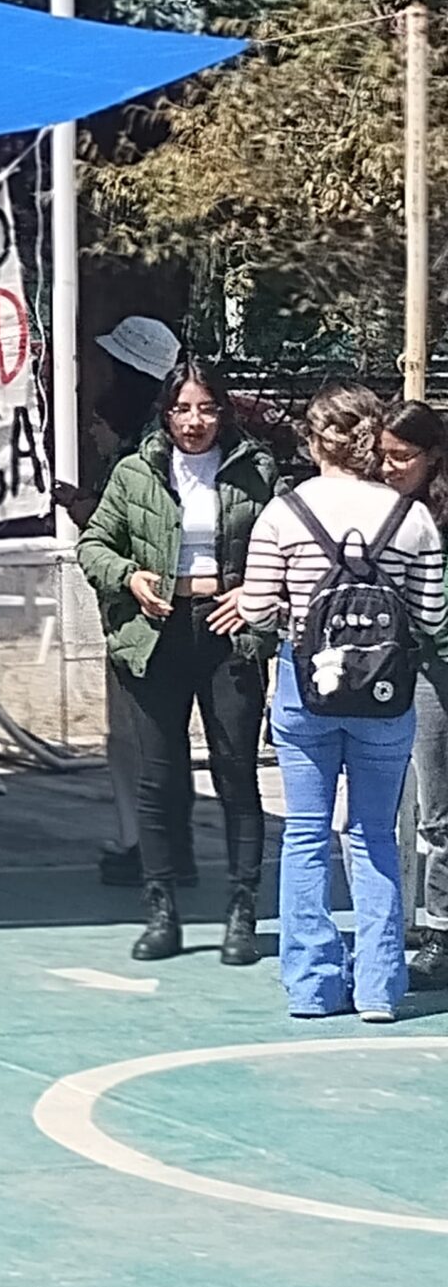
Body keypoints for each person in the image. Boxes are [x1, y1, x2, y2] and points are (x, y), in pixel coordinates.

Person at [240, 383, 447, 1022]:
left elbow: (251, 608)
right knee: (375, 833)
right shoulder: (410, 518)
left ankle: (312, 985)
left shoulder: (284, 512)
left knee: (306, 833)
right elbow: (435, 615)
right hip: (386, 693)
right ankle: (381, 986)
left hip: (307, 690)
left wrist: (291, 613)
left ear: (312, 439)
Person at [77, 355, 278, 966]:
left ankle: (242, 906)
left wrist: (253, 592)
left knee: (235, 770)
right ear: (165, 413)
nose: (194, 421)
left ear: (224, 412)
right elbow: (93, 545)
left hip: (227, 630)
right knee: (159, 778)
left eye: (207, 408)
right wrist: (128, 576)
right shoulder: (135, 472)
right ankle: (160, 906)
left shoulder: (256, 471)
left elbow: (284, 546)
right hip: (157, 633)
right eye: (183, 408)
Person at [66, 313, 183, 887]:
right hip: (161, 604)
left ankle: (140, 841)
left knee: (133, 738)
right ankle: (164, 843)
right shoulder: (165, 447)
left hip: (140, 608)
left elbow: (121, 529)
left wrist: (83, 509)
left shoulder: (140, 454)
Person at [380, 400, 448, 991]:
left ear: (433, 456)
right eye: (383, 456)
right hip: (420, 667)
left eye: (402, 457)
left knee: (440, 810)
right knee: (436, 809)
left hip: (437, 663)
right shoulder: (388, 512)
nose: (389, 468)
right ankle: (439, 931)